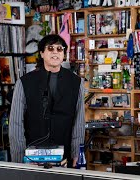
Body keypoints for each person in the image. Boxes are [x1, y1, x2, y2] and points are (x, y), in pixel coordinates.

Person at [9, 34, 85, 168]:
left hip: (65, 156)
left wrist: (77, 154)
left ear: (64, 54)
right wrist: (19, 159)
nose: (55, 52)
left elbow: (79, 121)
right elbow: (16, 123)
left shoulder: (76, 82)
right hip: (31, 157)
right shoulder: (25, 82)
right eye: (50, 48)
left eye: (59, 49)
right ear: (42, 53)